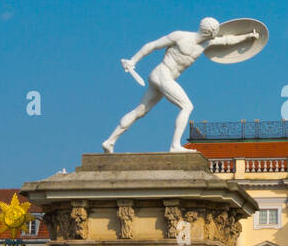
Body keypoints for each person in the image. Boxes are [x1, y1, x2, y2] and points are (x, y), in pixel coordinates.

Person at [102, 18, 261, 153]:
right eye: (215, 32)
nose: (216, 35)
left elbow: (227, 41)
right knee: (187, 106)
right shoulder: (180, 36)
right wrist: (133, 60)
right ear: (209, 32)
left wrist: (248, 36)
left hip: (164, 78)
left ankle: (110, 141)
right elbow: (152, 45)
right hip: (163, 74)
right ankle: (175, 146)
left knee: (140, 111)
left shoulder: (206, 43)